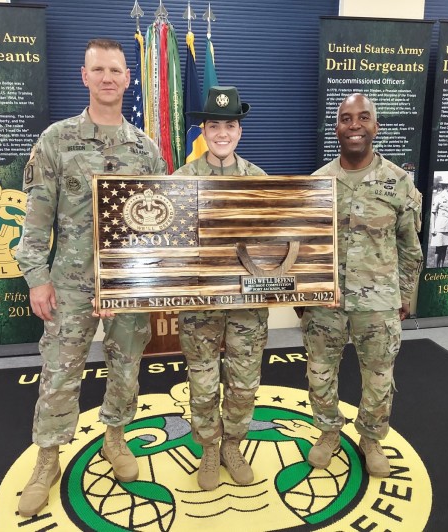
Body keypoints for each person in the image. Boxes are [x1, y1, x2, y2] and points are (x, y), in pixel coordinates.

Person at [14, 38, 165, 517]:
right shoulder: (56, 141)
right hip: (70, 285)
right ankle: (48, 459)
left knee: (125, 368)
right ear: (84, 76)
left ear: (127, 79)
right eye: (97, 69)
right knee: (60, 373)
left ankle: (115, 439)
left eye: (115, 70)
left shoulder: (146, 150)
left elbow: (162, 223)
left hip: (127, 286)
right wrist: (38, 277)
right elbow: (36, 221)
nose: (107, 78)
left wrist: (157, 282)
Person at [301, 93, 422, 478]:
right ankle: (327, 433)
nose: (354, 125)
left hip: (379, 302)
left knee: (379, 376)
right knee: (320, 372)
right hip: (326, 301)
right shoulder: (318, 183)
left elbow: (409, 246)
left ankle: (370, 439)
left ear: (376, 126)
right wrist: (301, 295)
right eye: (346, 119)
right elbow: (301, 247)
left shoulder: (399, 183)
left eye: (363, 118)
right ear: (335, 128)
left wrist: (404, 294)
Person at [173, 86, 268, 490]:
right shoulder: (179, 180)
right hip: (200, 304)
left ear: (239, 131)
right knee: (203, 380)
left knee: (245, 381)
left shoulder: (260, 180)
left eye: (230, 125)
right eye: (215, 125)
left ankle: (233, 443)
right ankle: (210, 448)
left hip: (247, 303)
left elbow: (276, 243)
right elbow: (169, 242)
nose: (223, 133)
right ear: (204, 130)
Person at [430, 175, 448, 268]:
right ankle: (435, 268)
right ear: (446, 186)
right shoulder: (438, 197)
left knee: (445, 248)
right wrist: (433, 228)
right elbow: (433, 213)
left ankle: (441, 267)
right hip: (440, 226)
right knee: (438, 248)